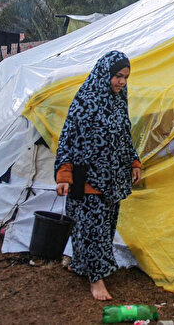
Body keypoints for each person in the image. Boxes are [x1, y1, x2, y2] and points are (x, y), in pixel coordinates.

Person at [55, 50, 143, 301]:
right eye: (117, 76)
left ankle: (80, 264)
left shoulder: (118, 101)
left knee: (103, 228)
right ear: (105, 74)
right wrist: (64, 175)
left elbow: (125, 135)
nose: (122, 82)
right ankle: (96, 280)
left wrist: (133, 162)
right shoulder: (85, 100)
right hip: (88, 178)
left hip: (112, 178)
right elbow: (68, 139)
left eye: (125, 77)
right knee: (93, 230)